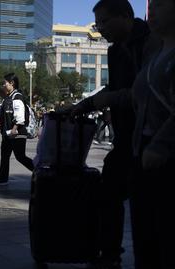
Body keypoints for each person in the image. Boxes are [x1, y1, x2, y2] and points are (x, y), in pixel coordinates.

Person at [67, 1, 160, 267]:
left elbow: (144, 92)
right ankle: (108, 255)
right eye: (97, 24)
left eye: (104, 22)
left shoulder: (150, 43)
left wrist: (102, 100)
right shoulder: (115, 50)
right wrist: (84, 105)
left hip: (148, 138)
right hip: (125, 139)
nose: (100, 29)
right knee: (108, 196)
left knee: (146, 211)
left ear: (126, 17)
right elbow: (116, 86)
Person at [130, 0, 175, 267]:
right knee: (145, 235)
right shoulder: (154, 52)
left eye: (160, 4)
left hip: (166, 156)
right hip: (143, 152)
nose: (152, 10)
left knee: (167, 234)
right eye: (151, 5)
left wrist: (161, 144)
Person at [0, 73, 33, 186]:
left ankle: (39, 172)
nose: (3, 85)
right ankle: (2, 178)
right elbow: (5, 113)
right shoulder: (9, 97)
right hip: (8, 133)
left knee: (20, 157)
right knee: (5, 156)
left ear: (12, 83)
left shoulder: (17, 97)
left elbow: (20, 116)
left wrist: (15, 128)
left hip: (17, 133)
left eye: (5, 83)